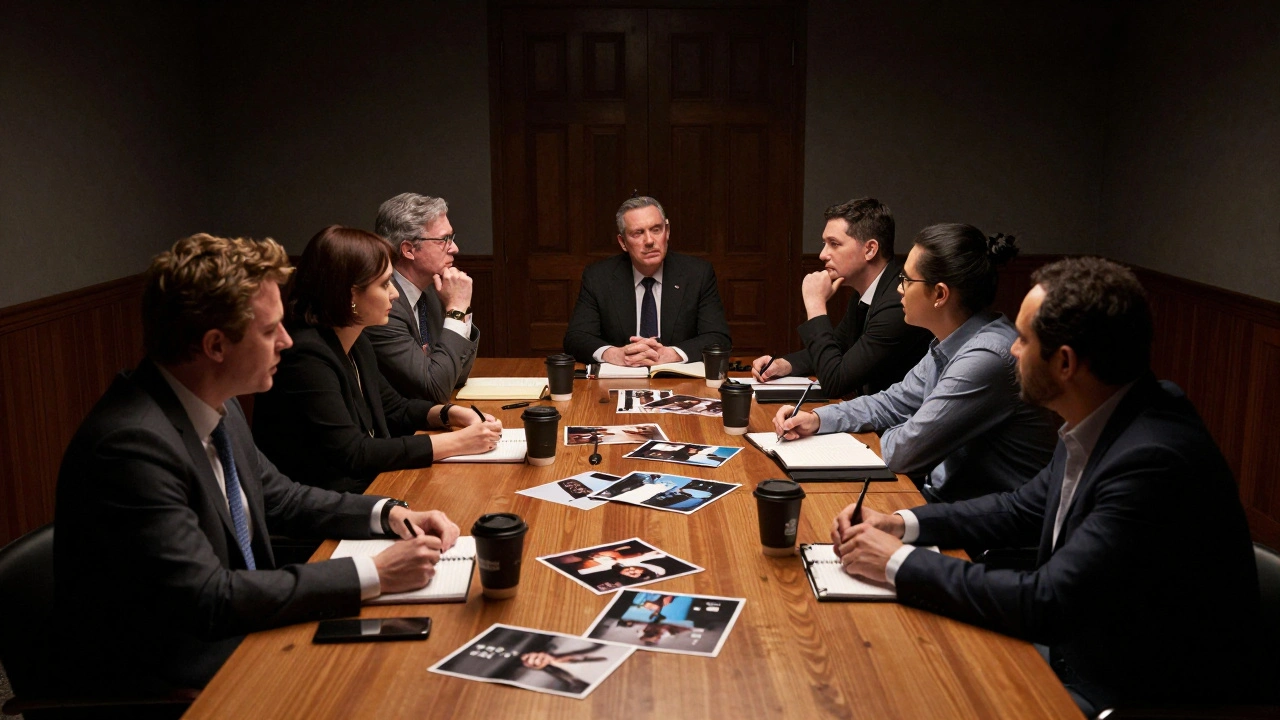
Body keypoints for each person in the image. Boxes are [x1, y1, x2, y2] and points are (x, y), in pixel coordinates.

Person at [830, 257, 1261, 714]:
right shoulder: (1104, 414)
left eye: (1023, 339)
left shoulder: (1151, 459)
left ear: (1065, 363)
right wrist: (901, 523)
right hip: (1076, 653)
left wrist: (896, 563)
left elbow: (1046, 602)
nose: (1010, 351)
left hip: (1127, 693)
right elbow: (1020, 509)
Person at [54, 233, 460, 696]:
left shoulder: (210, 403)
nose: (287, 341)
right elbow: (210, 599)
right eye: (269, 332)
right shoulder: (132, 445)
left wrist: (388, 513)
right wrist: (376, 573)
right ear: (215, 346)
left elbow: (281, 496)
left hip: (247, 635)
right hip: (173, 683)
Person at [775, 223, 1059, 502]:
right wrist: (817, 420)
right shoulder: (950, 340)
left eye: (907, 280)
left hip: (985, 526)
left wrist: (902, 426)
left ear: (939, 294)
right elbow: (891, 402)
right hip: (945, 501)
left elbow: (904, 451)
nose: (899, 289)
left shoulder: (986, 357)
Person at [253, 226, 501, 494]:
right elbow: (355, 452)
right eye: (385, 284)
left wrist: (450, 414)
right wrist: (459, 443)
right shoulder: (305, 357)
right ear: (349, 296)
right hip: (325, 513)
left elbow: (395, 408)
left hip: (367, 491)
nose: (394, 293)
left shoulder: (356, 340)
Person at [752, 198, 931, 397]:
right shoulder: (866, 292)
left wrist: (815, 305)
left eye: (834, 244)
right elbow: (837, 346)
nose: (822, 255)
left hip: (897, 423)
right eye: (824, 243)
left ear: (870, 249)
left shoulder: (898, 301)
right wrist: (782, 365)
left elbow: (835, 382)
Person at [563, 196, 732, 366]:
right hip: (620, 380)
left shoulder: (697, 274)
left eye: (656, 229)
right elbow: (576, 338)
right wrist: (615, 354)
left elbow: (718, 337)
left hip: (678, 379)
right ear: (623, 242)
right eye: (638, 233)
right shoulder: (599, 277)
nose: (649, 241)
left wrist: (671, 354)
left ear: (667, 232)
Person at [365, 193, 479, 403]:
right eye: (444, 240)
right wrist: (456, 310)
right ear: (409, 250)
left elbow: (457, 375)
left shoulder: (433, 291)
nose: (455, 248)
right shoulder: (383, 306)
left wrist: (460, 310)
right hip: (401, 428)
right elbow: (434, 389)